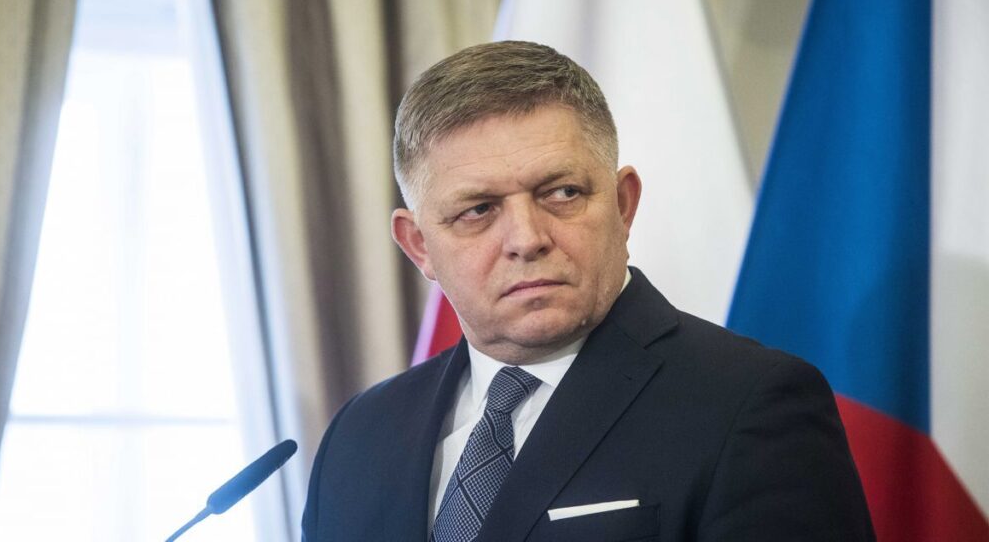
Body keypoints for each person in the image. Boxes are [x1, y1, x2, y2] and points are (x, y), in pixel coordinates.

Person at [302, 41, 874, 541]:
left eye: (563, 193)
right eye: (478, 210)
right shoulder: (359, 435)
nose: (527, 239)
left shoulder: (751, 404)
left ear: (623, 206)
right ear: (419, 246)